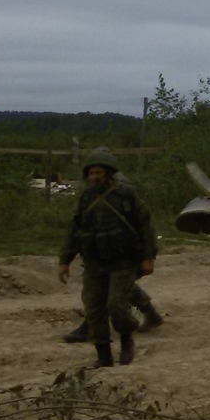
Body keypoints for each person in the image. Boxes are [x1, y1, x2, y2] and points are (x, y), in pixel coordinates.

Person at [57, 148, 157, 367]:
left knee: (118, 308)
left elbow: (146, 225)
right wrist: (65, 260)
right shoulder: (86, 198)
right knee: (93, 308)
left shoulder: (126, 196)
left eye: (98, 173)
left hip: (122, 262)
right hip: (94, 263)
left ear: (109, 173)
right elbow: (75, 230)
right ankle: (103, 356)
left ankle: (127, 340)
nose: (94, 177)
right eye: (91, 173)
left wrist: (148, 257)